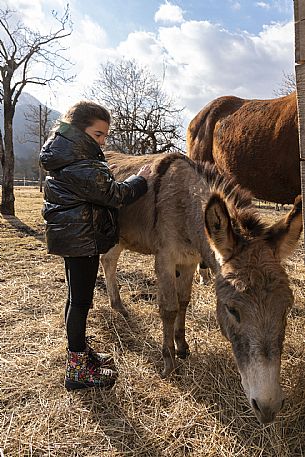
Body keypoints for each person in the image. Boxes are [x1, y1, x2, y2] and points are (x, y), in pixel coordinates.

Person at [40, 101, 151, 391]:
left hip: (74, 234)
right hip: (82, 237)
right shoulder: (79, 160)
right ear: (79, 129)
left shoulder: (67, 152)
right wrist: (141, 180)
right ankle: (77, 372)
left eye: (105, 135)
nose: (102, 140)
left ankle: (80, 353)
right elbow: (113, 194)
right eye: (98, 133)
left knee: (75, 298)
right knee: (80, 302)